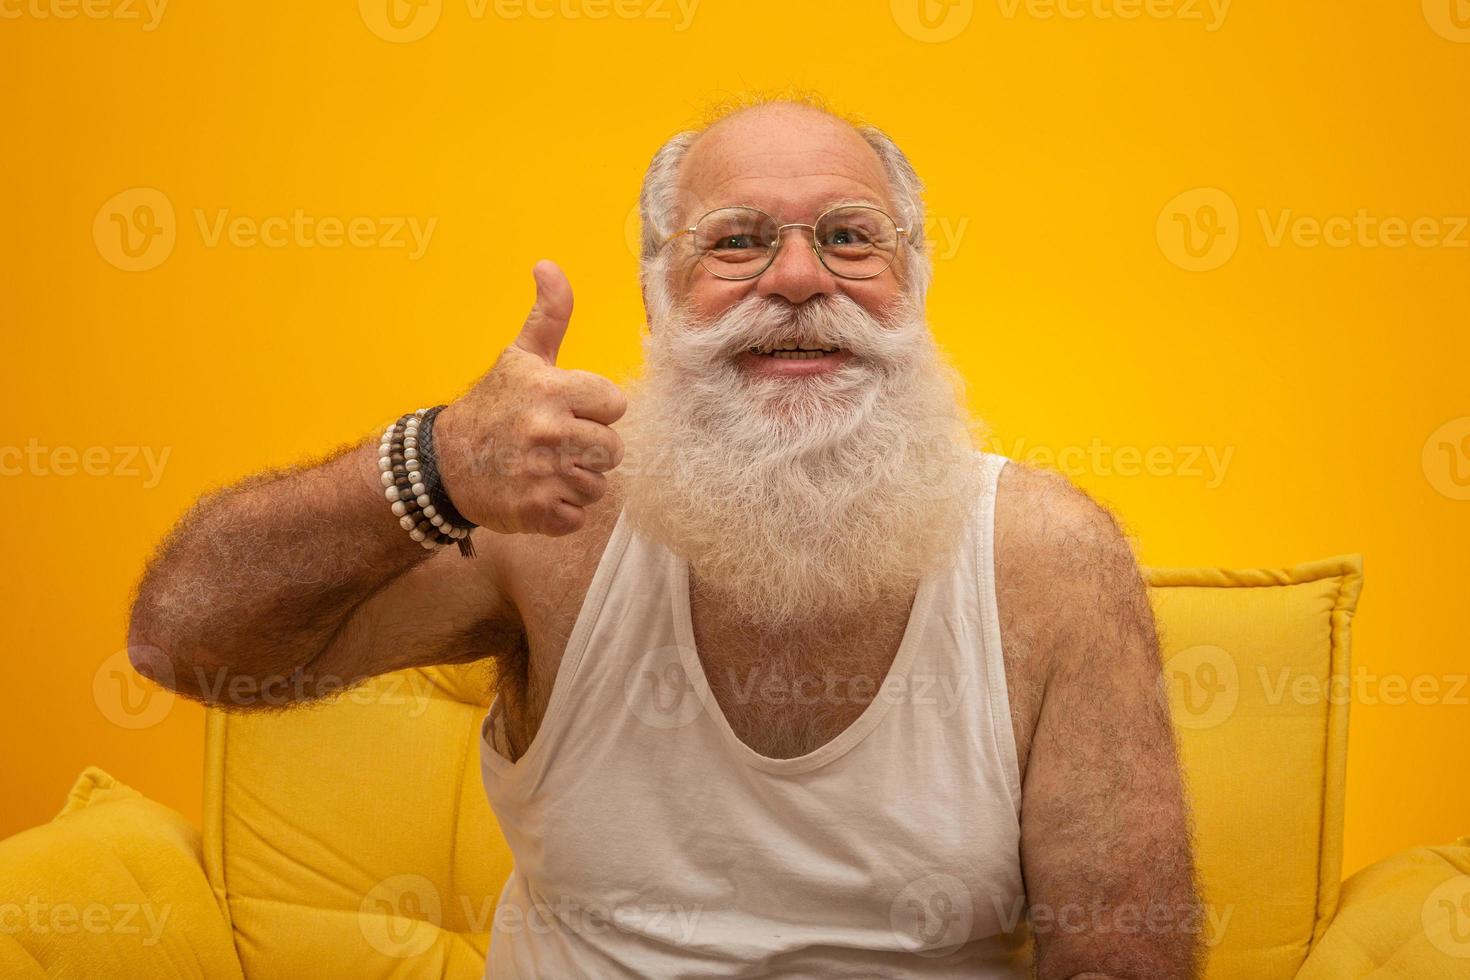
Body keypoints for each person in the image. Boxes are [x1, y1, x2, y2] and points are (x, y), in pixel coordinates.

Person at [127, 94, 1204, 978]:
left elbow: (1125, 954)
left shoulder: (1048, 554)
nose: (797, 278)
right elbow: (182, 642)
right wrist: (435, 464)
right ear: (656, 304)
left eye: (849, 238)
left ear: (913, 288)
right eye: (734, 241)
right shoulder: (551, 523)